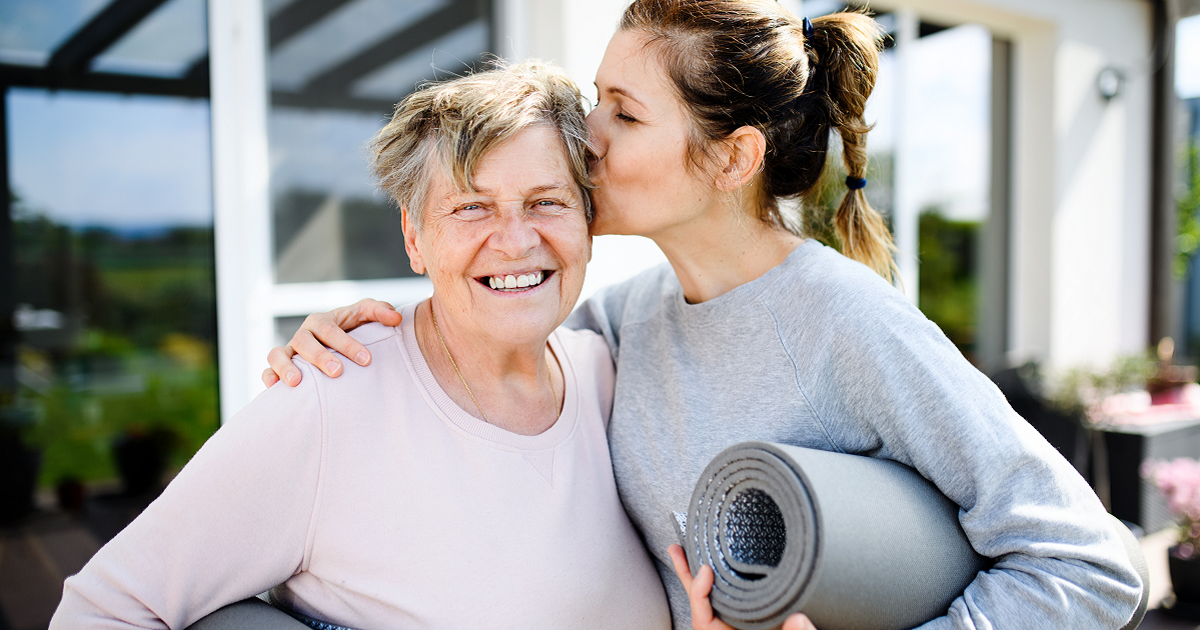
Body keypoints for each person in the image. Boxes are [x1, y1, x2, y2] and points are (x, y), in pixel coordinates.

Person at [264, 2, 1144, 629]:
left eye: (625, 112)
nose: (587, 135)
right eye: (593, 98)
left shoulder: (850, 326)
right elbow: (488, 341)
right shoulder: (624, 319)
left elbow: (1092, 565)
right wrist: (374, 339)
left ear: (732, 158)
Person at [50, 60, 671, 630]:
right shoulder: (333, 396)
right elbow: (100, 611)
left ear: (587, 222)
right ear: (414, 235)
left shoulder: (604, 371)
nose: (514, 241)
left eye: (546, 202)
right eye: (471, 208)